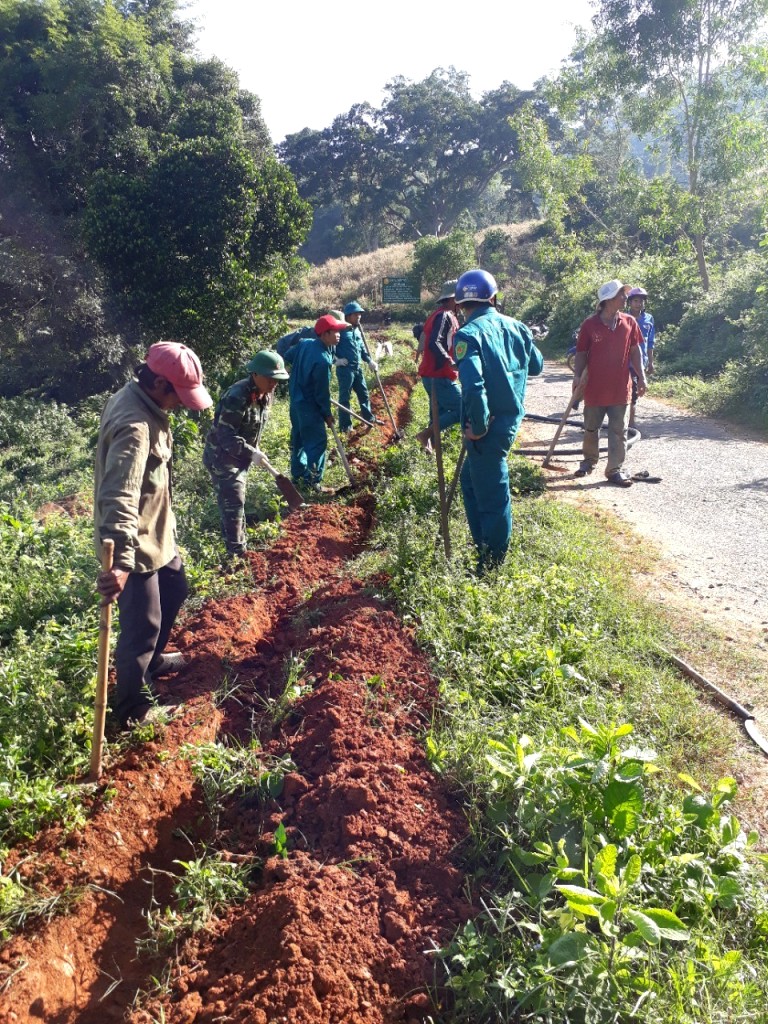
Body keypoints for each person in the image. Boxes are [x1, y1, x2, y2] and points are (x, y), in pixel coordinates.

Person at [94, 341, 212, 728]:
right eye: (178, 395)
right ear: (159, 383)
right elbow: (119, 495)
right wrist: (121, 563)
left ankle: (154, 661)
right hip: (135, 542)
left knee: (175, 588)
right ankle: (133, 711)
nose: (179, 404)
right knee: (142, 626)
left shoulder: (146, 402)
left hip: (158, 530)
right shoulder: (135, 426)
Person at [453, 269, 544, 571]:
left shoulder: (467, 334)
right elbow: (537, 366)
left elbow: (473, 386)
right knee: (469, 480)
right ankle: (482, 542)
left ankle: (491, 565)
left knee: (493, 496)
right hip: (508, 422)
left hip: (488, 430)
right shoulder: (518, 327)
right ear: (493, 298)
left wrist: (478, 428)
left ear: (460, 304)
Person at [203, 350, 289, 557]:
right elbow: (225, 436)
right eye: (270, 378)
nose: (274, 384)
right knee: (234, 502)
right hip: (222, 457)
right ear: (255, 374)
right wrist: (251, 452)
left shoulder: (265, 394)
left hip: (241, 456)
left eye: (277, 379)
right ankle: (237, 555)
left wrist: (253, 450)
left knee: (235, 502)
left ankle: (237, 547)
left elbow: (251, 427)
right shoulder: (236, 397)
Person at [573, 280, 647, 486]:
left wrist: (642, 377)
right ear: (608, 300)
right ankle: (589, 461)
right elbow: (581, 353)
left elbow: (635, 352)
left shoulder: (629, 322)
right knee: (591, 428)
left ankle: (614, 470)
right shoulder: (590, 324)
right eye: (621, 295)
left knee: (619, 431)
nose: (626, 298)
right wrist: (577, 376)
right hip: (594, 388)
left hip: (620, 389)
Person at [286, 313, 347, 490]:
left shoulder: (304, 343)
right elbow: (321, 393)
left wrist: (297, 372)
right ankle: (313, 482)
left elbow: (288, 355)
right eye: (335, 332)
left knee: (298, 439)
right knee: (317, 442)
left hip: (295, 404)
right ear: (325, 334)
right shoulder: (322, 360)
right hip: (310, 408)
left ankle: (298, 476)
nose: (339, 335)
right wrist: (327, 414)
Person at [414, 281, 462, 452]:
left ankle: (431, 448)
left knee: (437, 413)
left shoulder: (444, 315)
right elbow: (435, 342)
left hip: (434, 375)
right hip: (438, 375)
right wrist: (449, 361)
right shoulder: (444, 316)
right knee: (463, 408)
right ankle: (426, 435)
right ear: (453, 299)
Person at [335, 301, 377, 432]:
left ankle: (369, 418)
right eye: (356, 314)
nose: (359, 316)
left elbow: (362, 349)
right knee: (345, 398)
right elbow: (329, 347)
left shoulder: (357, 330)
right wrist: (336, 360)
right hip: (345, 370)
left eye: (360, 314)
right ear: (348, 316)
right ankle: (345, 426)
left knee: (364, 394)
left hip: (357, 368)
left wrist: (369, 361)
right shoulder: (340, 331)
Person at [626, 286, 656, 429]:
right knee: (624, 390)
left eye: (641, 301)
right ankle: (622, 420)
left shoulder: (649, 319)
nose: (639, 304)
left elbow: (650, 342)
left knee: (635, 391)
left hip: (640, 361)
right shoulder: (623, 318)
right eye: (636, 301)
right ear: (630, 302)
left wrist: (651, 362)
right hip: (624, 361)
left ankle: (630, 422)